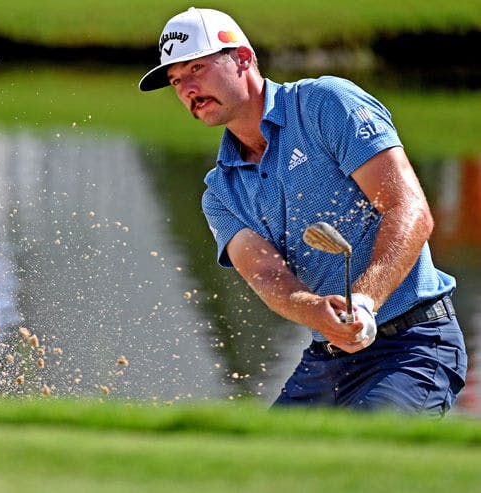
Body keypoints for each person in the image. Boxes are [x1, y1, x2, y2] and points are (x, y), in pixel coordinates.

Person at [139, 7, 467, 415]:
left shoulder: (324, 104)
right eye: (175, 80)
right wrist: (315, 311)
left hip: (413, 343)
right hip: (328, 358)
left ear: (242, 58)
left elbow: (410, 210)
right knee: (260, 470)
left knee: (361, 457)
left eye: (195, 68)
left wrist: (364, 301)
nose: (186, 88)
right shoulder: (221, 192)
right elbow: (267, 274)